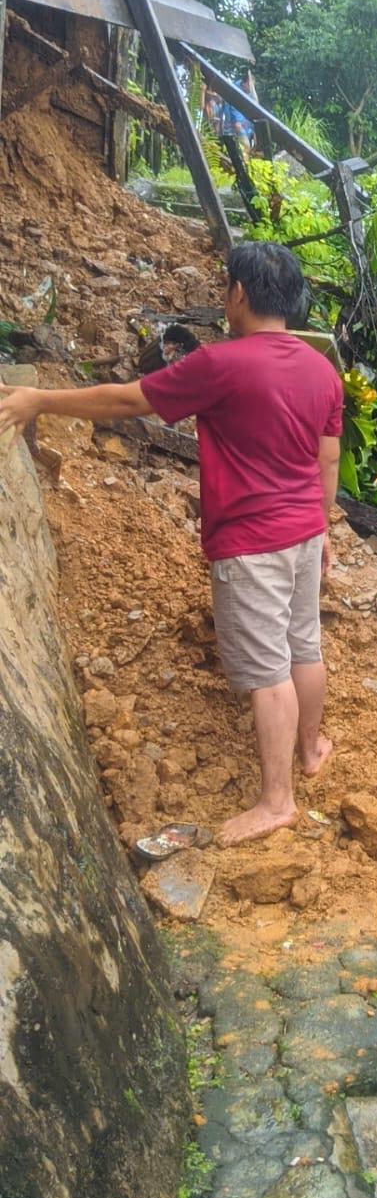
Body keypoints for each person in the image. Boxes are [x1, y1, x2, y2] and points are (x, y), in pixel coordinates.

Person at [0, 242, 343, 848]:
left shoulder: (221, 364)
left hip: (251, 543)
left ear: (239, 293)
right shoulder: (322, 370)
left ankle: (276, 801)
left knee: (268, 674)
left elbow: (131, 399)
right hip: (302, 537)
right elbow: (328, 457)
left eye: (226, 287)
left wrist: (39, 400)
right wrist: (323, 529)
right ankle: (312, 749)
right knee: (303, 648)